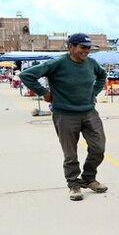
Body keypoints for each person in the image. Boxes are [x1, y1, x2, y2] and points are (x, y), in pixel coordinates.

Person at [19, 33, 108, 201]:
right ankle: (74, 184)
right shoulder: (57, 63)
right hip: (65, 115)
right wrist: (44, 93)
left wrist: (94, 92)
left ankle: (88, 178)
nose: (86, 51)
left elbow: (102, 76)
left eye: (88, 48)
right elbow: (27, 75)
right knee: (70, 154)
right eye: (83, 47)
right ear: (71, 47)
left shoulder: (91, 63)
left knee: (99, 147)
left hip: (89, 112)